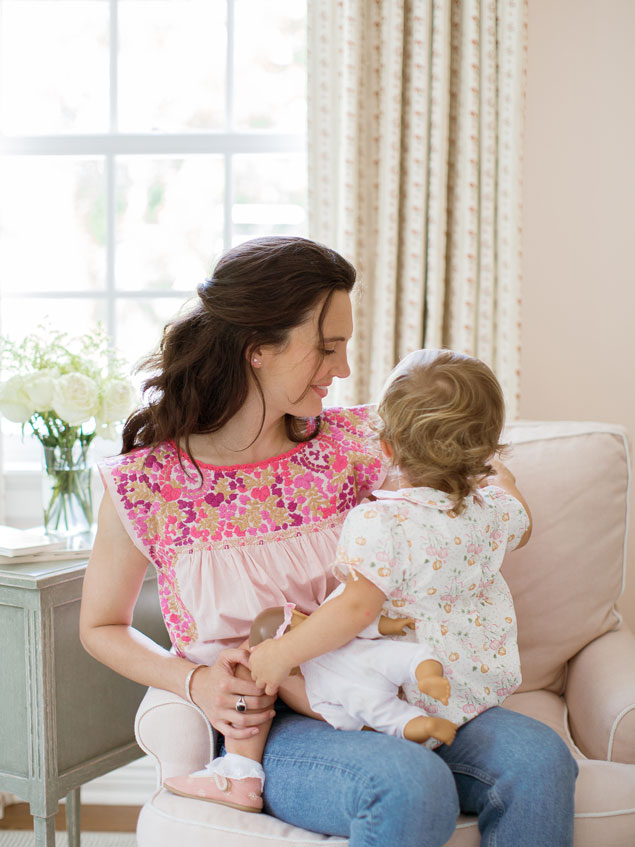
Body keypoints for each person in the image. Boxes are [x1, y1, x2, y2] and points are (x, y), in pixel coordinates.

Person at [79, 236, 578, 847]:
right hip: (278, 720)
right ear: (257, 349)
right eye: (327, 347)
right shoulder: (146, 483)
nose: (342, 368)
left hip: (397, 686)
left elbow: (465, 471)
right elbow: (101, 626)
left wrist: (487, 473)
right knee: (408, 782)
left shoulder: (360, 440)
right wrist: (194, 682)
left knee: (540, 760)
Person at [246, 351, 530, 752]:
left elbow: (356, 610)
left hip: (402, 689)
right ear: (486, 449)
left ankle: (351, 718)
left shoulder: (380, 521)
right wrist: (503, 478)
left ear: (387, 447)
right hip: (471, 692)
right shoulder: (491, 514)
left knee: (273, 632)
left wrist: (280, 654)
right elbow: (524, 519)